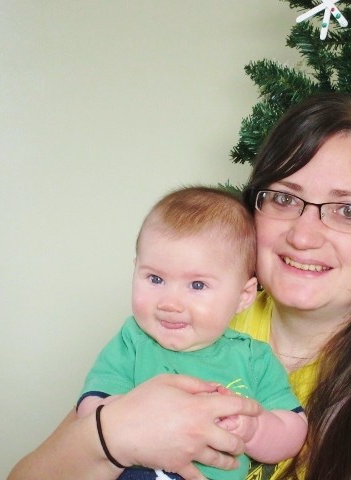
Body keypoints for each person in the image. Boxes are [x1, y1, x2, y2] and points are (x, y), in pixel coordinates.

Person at [8, 92, 351, 480]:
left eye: (348, 210)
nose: (304, 235)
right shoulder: (196, 320)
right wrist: (110, 434)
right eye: (284, 199)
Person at [76, 186, 307, 480]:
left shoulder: (253, 357)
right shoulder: (132, 340)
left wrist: (254, 428)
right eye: (155, 279)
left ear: (243, 296)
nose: (170, 303)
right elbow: (90, 410)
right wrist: (133, 418)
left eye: (197, 285)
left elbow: (293, 430)